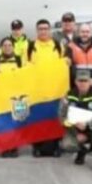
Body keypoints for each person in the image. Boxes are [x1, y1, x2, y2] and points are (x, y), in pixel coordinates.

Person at [29, 19, 66, 157]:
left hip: (54, 90)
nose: (43, 31)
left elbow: (64, 65)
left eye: (45, 29)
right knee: (37, 119)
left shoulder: (58, 45)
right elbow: (23, 68)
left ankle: (56, 146)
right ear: (37, 31)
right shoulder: (30, 46)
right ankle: (37, 146)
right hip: (37, 91)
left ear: (49, 30)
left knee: (54, 119)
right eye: (40, 29)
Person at [59, 70, 92, 173]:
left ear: (90, 82)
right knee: (66, 145)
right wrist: (74, 130)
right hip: (75, 129)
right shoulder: (68, 96)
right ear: (76, 82)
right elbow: (62, 117)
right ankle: (82, 151)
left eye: (85, 80)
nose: (82, 83)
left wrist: (87, 125)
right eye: (80, 80)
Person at [66, 24, 92, 92]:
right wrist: (80, 80)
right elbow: (69, 66)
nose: (85, 34)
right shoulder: (71, 46)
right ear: (78, 33)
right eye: (82, 32)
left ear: (91, 33)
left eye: (87, 32)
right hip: (77, 85)